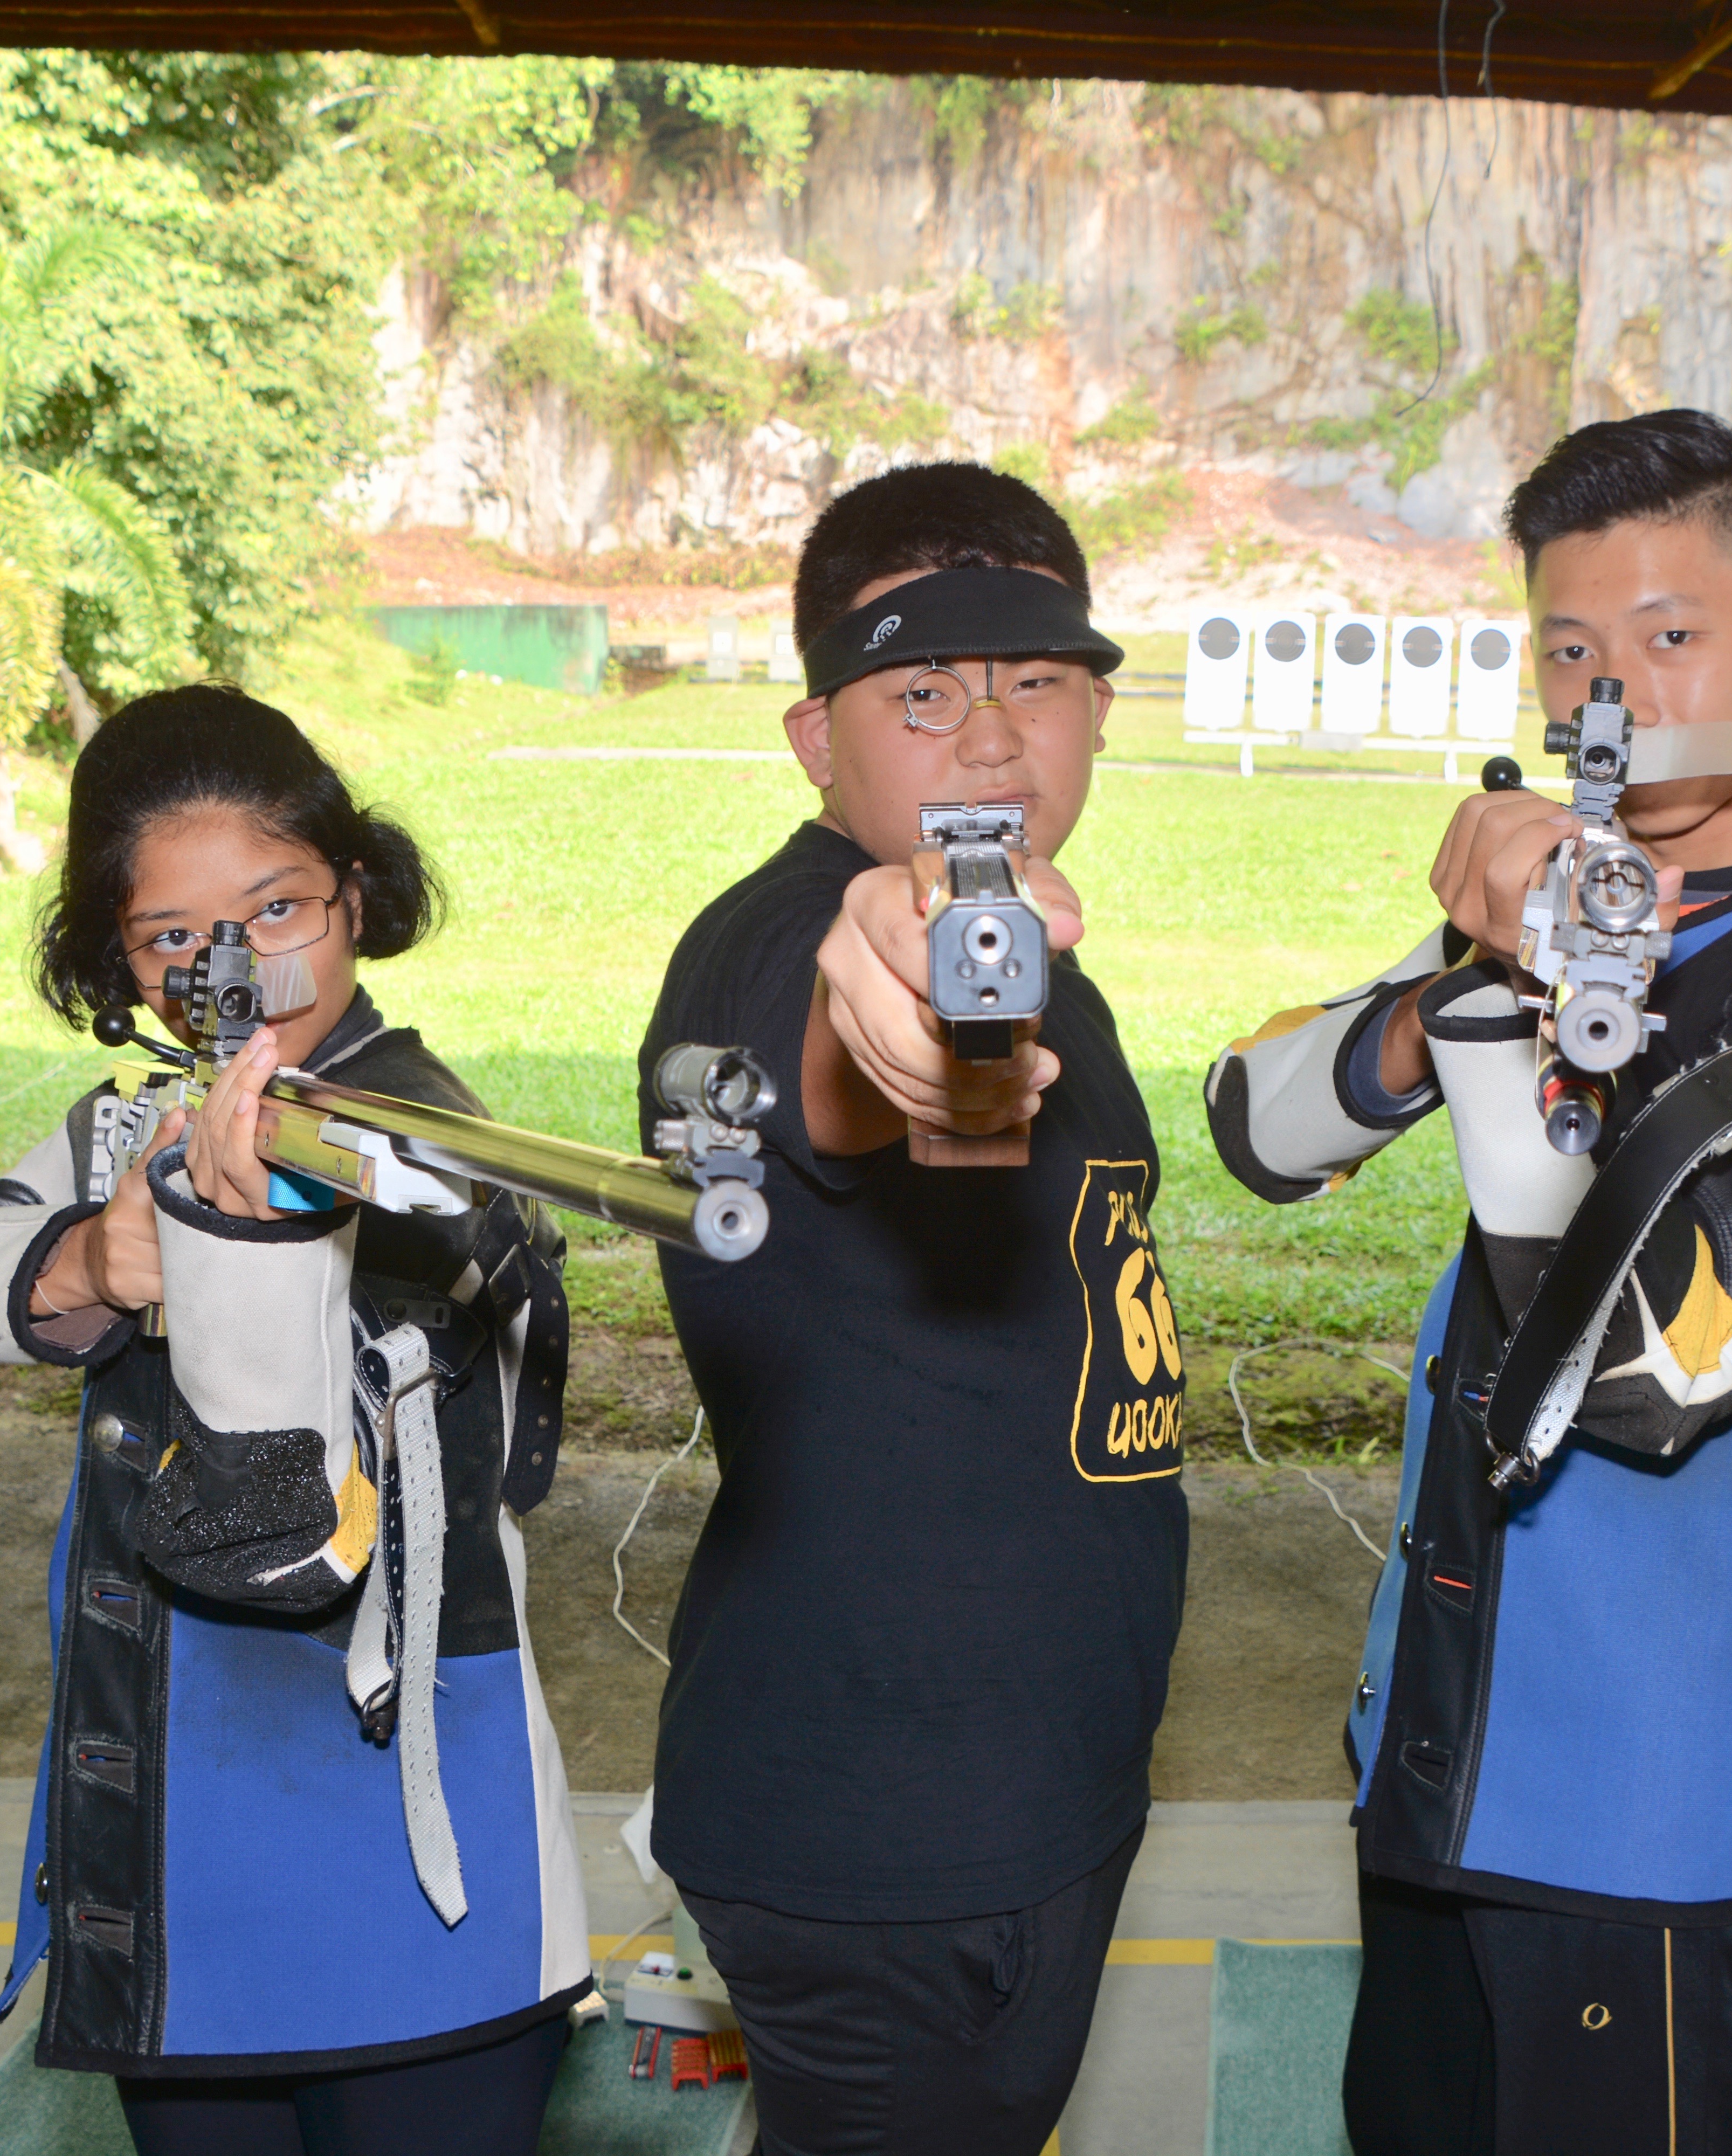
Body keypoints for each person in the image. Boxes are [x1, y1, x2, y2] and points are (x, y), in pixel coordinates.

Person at [1205, 410, 1732, 2156]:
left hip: (1652, 1807)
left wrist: (1511, 1038)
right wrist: (1464, 987)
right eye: (1571, 649)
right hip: (1447, 1750)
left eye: (1673, 635)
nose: (1617, 695)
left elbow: (1642, 1381)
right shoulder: (1580, 897)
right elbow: (1257, 1129)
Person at [0, 686, 589, 2156]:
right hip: (174, 1878)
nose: (235, 968)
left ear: (357, 899)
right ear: (121, 958)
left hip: (414, 1877)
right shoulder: (133, 1126)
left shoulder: (427, 1166)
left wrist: (243, 1256)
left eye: (277, 908)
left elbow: (273, 1548)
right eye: (173, 936)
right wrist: (82, 1262)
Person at [636, 462, 1189, 2155]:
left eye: (1039, 681)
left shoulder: (1031, 955)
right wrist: (891, 1017)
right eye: (926, 693)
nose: (995, 740)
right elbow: (832, 1057)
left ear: (1100, 710)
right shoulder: (780, 943)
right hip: (890, 1842)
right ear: (818, 740)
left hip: (1016, 1794)